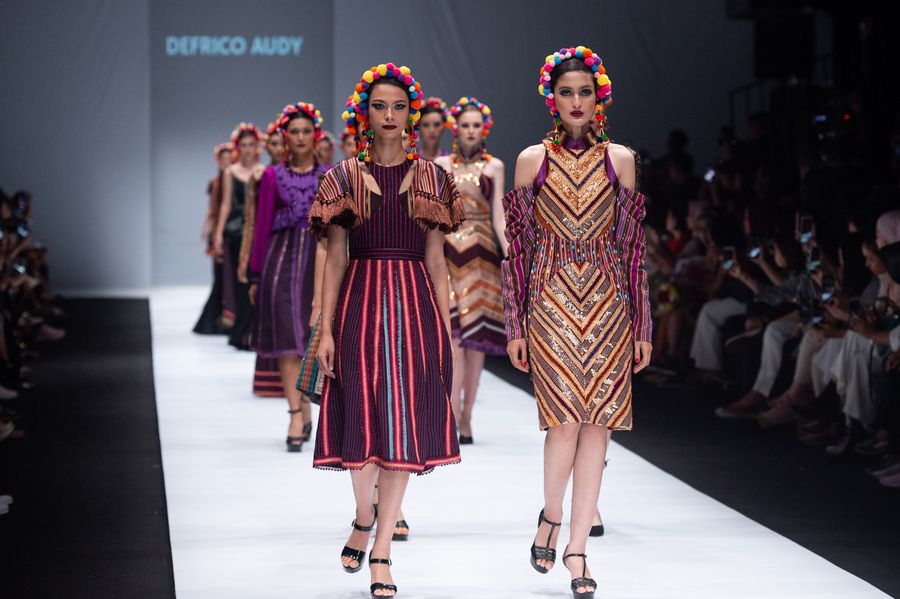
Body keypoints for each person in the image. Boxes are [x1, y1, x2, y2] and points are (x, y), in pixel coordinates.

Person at [309, 63, 464, 598]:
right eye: (380, 106)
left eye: (399, 106)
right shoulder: (343, 178)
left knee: (401, 423)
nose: (390, 115)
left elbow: (437, 258)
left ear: (411, 114)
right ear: (365, 114)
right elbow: (334, 257)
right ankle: (362, 514)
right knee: (361, 414)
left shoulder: (433, 179)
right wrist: (325, 330)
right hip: (360, 302)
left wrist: (444, 324)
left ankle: (381, 551)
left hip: (415, 305)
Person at [502, 46, 651, 598]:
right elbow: (517, 250)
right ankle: (551, 515)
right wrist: (515, 324)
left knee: (598, 425)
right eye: (566, 92)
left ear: (599, 97)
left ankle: (578, 549)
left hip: (610, 304)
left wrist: (643, 326)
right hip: (549, 301)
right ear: (552, 99)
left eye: (585, 92)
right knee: (564, 421)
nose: (576, 102)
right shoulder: (530, 160)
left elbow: (633, 249)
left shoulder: (622, 160)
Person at [248, 103, 330, 451]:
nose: (300, 137)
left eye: (305, 131)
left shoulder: (330, 175)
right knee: (285, 336)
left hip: (319, 260)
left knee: (312, 336)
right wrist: (255, 274)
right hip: (280, 260)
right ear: (285, 137)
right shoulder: (272, 176)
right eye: (294, 132)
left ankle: (307, 404)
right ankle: (296, 413)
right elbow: (262, 224)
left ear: (315, 135)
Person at [435, 96, 506, 443]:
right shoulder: (440, 164)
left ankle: (467, 416)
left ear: (484, 129)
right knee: (452, 338)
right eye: (465, 125)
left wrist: (511, 254)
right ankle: (450, 413)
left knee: (477, 340)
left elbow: (499, 216)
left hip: (482, 255)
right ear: (456, 129)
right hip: (448, 251)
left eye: (476, 125)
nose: (471, 131)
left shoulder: (495, 167)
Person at [238, 120, 286, 398]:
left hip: (300, 252)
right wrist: (247, 260)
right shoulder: (262, 176)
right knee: (274, 316)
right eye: (274, 144)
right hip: (272, 251)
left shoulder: (313, 174)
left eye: (281, 143)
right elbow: (253, 221)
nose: (279, 148)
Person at [214, 123, 262, 350]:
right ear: (237, 148)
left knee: (255, 282)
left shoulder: (263, 171)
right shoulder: (229, 172)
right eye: (243, 145)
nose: (247, 149)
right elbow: (225, 204)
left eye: (251, 145)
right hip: (235, 233)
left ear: (257, 147)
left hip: (257, 233)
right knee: (239, 283)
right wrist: (217, 234)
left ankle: (252, 332)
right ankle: (242, 332)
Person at [193, 142, 233, 334]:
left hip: (231, 229)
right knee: (220, 273)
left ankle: (226, 315)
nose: (226, 162)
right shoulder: (216, 182)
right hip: (219, 229)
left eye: (229, 159)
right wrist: (207, 226)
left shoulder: (235, 178)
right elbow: (213, 206)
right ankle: (217, 317)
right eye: (223, 159)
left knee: (228, 275)